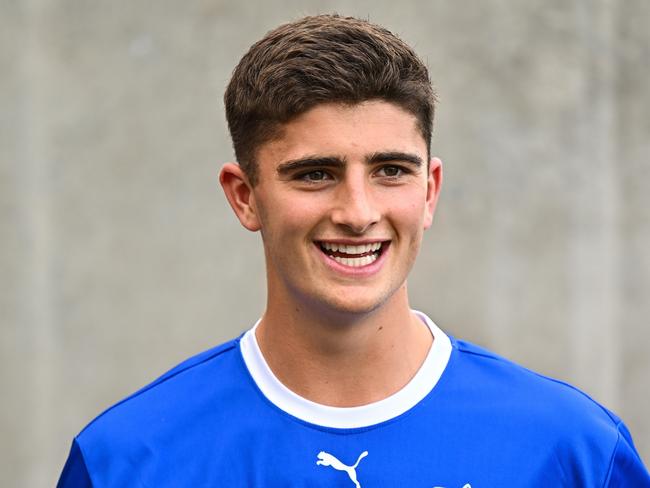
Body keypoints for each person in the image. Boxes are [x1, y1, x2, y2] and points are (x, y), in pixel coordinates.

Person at [57, 14, 649, 487]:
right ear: (245, 197)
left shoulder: (572, 452)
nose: (359, 211)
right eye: (315, 174)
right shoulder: (128, 461)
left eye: (391, 170)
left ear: (429, 191)